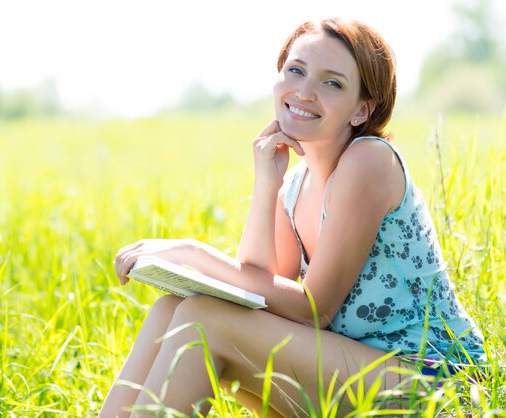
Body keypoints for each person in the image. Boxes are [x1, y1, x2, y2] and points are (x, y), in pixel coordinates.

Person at [99, 18, 485, 417]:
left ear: (361, 110)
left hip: (438, 383)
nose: (304, 91)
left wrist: (192, 253)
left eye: (331, 83)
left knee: (202, 319)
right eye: (295, 71)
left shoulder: (369, 161)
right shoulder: (295, 186)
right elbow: (258, 297)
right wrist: (267, 186)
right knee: (171, 311)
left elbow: (311, 310)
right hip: (358, 373)